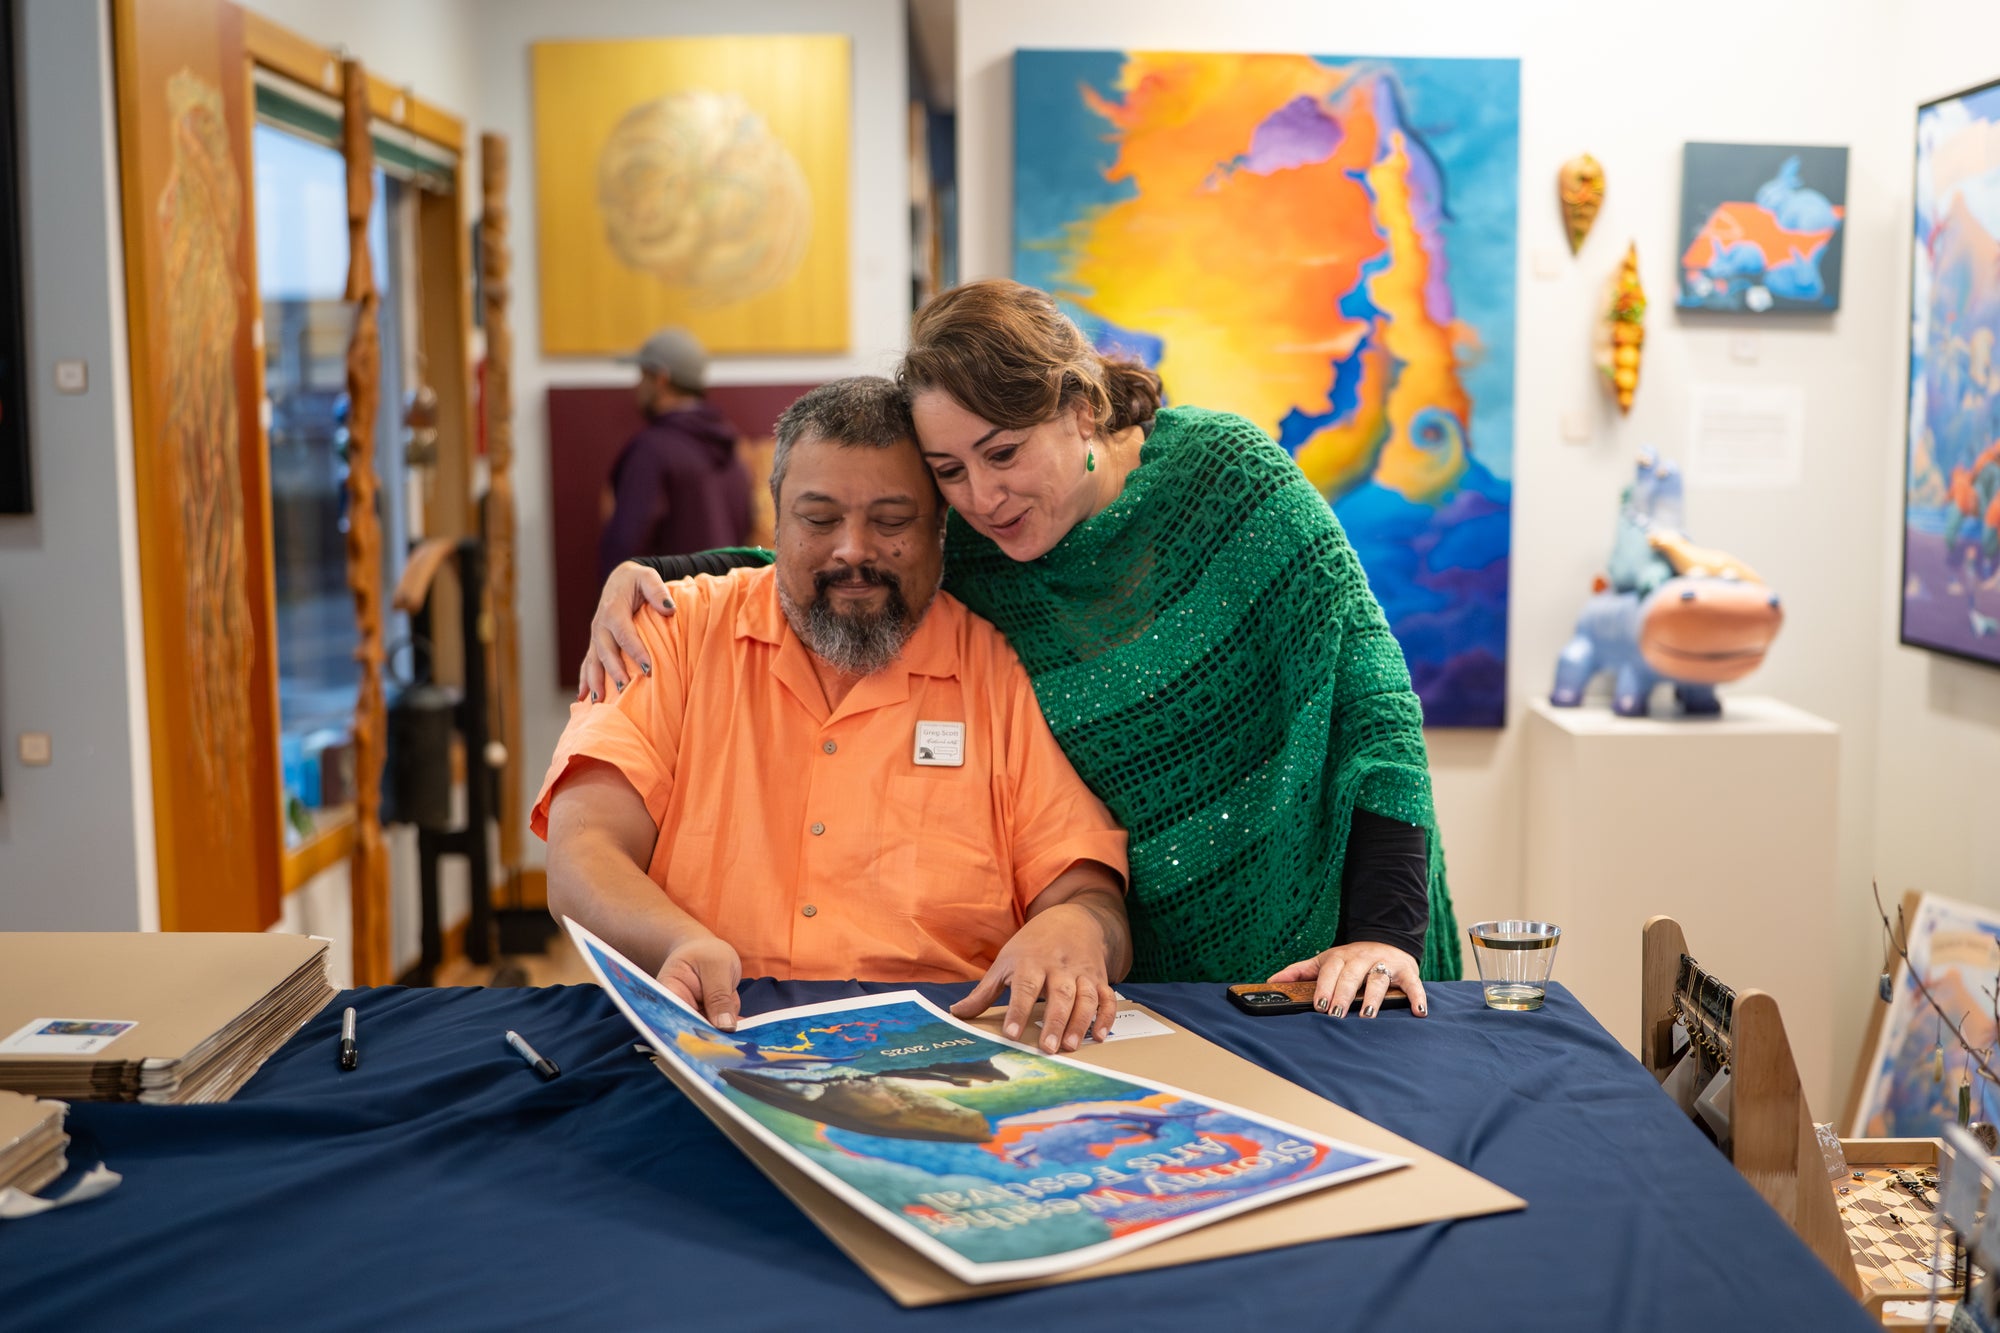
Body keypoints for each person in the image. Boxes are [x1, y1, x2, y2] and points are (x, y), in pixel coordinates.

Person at [583, 280, 1460, 1022]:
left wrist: (1384, 929)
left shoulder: (1227, 477)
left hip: (1328, 932)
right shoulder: (983, 546)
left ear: (1082, 408)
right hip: (1151, 973)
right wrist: (654, 575)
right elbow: (836, 558)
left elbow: (1372, 700)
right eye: (949, 472)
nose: (984, 496)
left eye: (1002, 453)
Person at [537, 376, 1131, 1053]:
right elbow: (582, 851)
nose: (853, 549)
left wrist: (1080, 926)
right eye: (819, 520)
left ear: (941, 531)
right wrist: (677, 941)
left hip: (937, 1061)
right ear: (776, 522)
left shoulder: (996, 670)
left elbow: (1087, 892)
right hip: (706, 1033)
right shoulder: (672, 633)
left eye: (892, 521)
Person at [597, 327, 752, 582]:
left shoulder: (651, 451)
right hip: (725, 600)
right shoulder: (733, 447)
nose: (637, 387)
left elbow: (626, 547)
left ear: (660, 379)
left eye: (643, 376)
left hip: (670, 603)